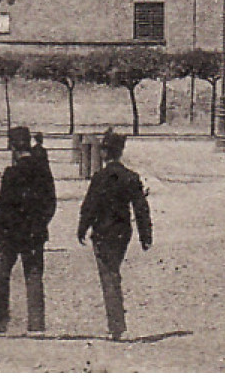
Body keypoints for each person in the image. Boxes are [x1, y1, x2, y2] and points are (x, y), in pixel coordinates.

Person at [77, 131, 152, 341]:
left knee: (108, 275)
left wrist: (82, 228)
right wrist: (145, 235)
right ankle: (116, 323)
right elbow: (141, 208)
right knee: (113, 270)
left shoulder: (99, 178)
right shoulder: (130, 177)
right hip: (122, 232)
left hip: (102, 231)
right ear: (120, 152)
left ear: (104, 152)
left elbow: (89, 206)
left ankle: (116, 325)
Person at [0, 125, 56, 335]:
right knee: (34, 274)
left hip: (12, 234)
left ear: (12, 146)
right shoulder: (43, 172)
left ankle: (0, 320)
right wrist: (41, 223)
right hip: (35, 233)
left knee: (1, 273)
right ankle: (36, 325)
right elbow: (51, 202)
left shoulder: (12, 173)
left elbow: (3, 208)